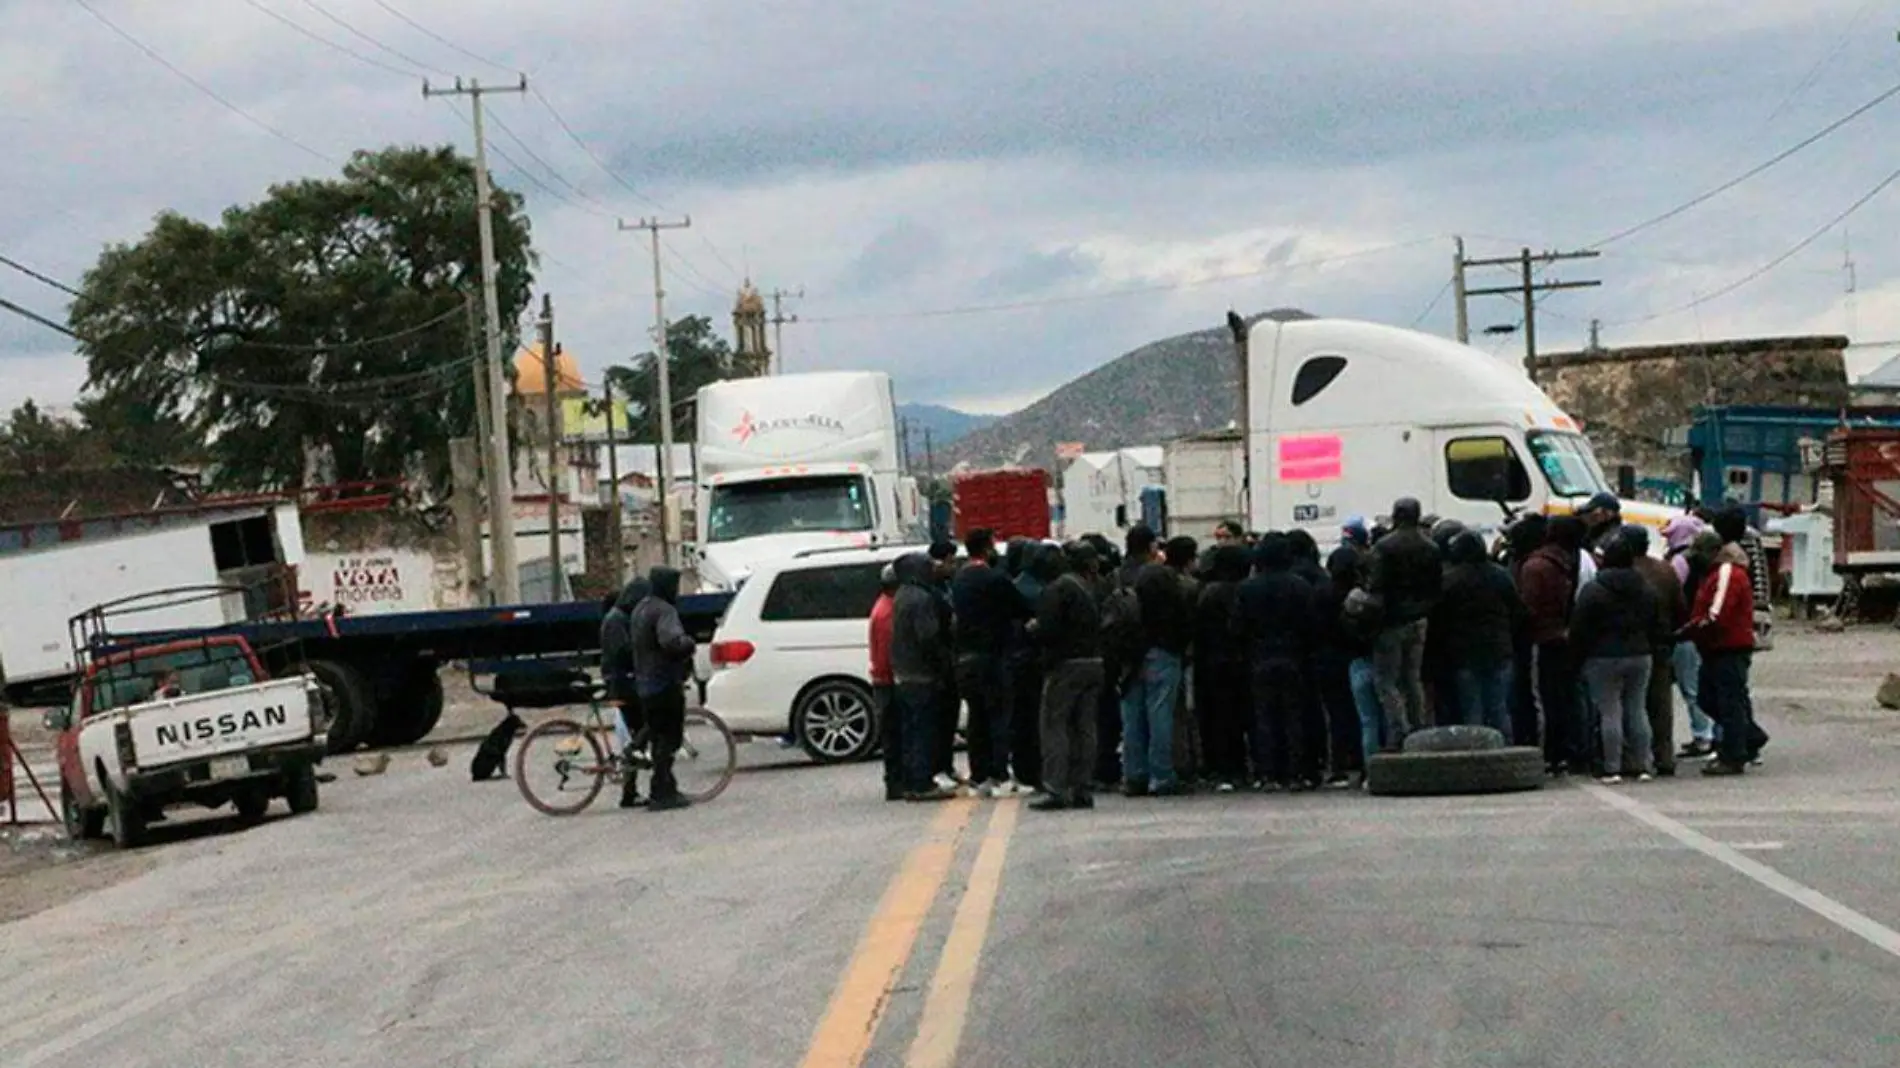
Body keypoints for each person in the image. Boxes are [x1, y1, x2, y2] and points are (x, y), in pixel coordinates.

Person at [1569, 538, 1660, 784]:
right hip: (1640, 654)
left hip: (1603, 656)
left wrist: (1576, 656)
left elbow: (1579, 626)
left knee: (1610, 711)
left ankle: (1612, 766)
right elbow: (1656, 622)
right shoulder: (1646, 588)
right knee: (1637, 709)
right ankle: (1642, 764)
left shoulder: (1594, 589)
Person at [951, 528, 1032, 798]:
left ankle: (979, 776)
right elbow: (1020, 608)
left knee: (976, 719)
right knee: (998, 716)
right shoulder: (995, 579)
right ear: (986, 549)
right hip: (993, 656)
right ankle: (1000, 775)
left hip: (965, 658)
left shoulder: (959, 579)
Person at [1234, 533, 1315, 790]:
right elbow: (1310, 625)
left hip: (1259, 657)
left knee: (1264, 717)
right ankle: (1296, 772)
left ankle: (1268, 773)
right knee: (1294, 715)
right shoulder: (1300, 586)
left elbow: (1237, 627)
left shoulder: (1247, 588)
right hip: (1294, 656)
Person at [1028, 543, 1104, 811]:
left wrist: (1033, 628)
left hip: (1065, 664)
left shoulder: (1057, 589)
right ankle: (1082, 787)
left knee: (1055, 725)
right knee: (1085, 726)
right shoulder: (1087, 586)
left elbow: (1048, 629)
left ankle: (1055, 788)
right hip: (1093, 661)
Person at [1685, 528, 1765, 776]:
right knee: (1711, 699)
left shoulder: (1727, 573)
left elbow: (1716, 613)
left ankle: (1733, 755)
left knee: (1727, 702)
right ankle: (1748, 737)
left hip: (1728, 647)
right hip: (1716, 647)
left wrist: (1692, 629)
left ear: (1712, 552)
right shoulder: (1712, 574)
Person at [1120, 525, 1192, 796]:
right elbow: (1181, 614)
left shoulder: (1118, 575)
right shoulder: (1161, 576)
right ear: (1151, 547)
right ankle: (1161, 775)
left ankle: (1133, 774)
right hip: (1161, 650)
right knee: (1160, 714)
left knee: (1132, 716)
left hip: (1129, 654)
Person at [1364, 497, 1441, 743]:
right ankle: (1419, 726)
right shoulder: (1431, 547)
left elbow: (1376, 587)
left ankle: (1399, 729)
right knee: (1412, 677)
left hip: (1391, 621)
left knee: (1386, 680)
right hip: (1420, 618)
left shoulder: (1384, 547)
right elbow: (1435, 587)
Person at [1437, 530, 1524, 737]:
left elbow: (1441, 618)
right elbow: (1518, 610)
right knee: (1499, 708)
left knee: (1471, 709)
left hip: (1464, 653)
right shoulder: (1501, 576)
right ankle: (1505, 753)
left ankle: (1474, 757)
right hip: (1499, 649)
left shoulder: (1450, 580)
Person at [628, 567, 698, 811]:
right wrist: (688, 644)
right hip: (664, 682)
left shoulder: (640, 608)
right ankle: (661, 792)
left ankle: (667, 787)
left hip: (645, 683)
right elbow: (670, 641)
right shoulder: (664, 610)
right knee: (669, 738)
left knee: (657, 735)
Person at [1521, 516, 1585, 774]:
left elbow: (1529, 606)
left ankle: (1549, 752)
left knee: (1544, 698)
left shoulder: (1536, 566)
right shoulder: (1570, 562)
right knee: (1566, 697)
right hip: (1564, 634)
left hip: (1543, 637)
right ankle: (1569, 750)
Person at [890, 551, 956, 800]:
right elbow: (928, 637)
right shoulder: (921, 598)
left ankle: (912, 781)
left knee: (911, 730)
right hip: (922, 674)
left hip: (905, 674)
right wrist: (943, 665)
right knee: (923, 731)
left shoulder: (903, 594)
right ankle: (922, 784)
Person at [1624, 526, 1686, 777]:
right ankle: (1664, 755)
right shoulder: (1665, 570)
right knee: (1660, 703)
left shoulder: (1624, 572)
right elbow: (1681, 608)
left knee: (1630, 703)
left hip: (1630, 643)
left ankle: (1633, 756)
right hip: (1661, 643)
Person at [1193, 543, 1251, 790]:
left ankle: (1221, 768)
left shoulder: (1208, 592)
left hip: (1212, 662)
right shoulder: (1243, 591)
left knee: (1218, 718)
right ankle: (1244, 766)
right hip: (1242, 660)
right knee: (1243, 716)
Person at [1664, 515, 1714, 759]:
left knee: (1690, 686)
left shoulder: (1681, 561)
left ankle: (1703, 734)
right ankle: (1707, 733)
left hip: (1683, 631)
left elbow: (1671, 592)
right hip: (1700, 629)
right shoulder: (1706, 560)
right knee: (1698, 683)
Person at [600, 576, 652, 808]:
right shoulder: (616, 620)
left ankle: (629, 791)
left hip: (623, 682)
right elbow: (622, 652)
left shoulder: (619, 618)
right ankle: (629, 786)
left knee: (636, 733)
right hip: (622, 684)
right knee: (647, 724)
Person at [1005, 539, 1047, 791]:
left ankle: (1023, 769)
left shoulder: (1012, 586)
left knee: (1020, 720)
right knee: (1034, 719)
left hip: (1015, 660)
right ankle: (1034, 769)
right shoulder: (1037, 589)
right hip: (1033, 661)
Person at [1162, 536, 1204, 784]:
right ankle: (1188, 760)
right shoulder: (1190, 587)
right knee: (1187, 711)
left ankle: (1177, 762)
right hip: (1186, 654)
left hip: (1167, 651)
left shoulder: (1159, 582)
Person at [927, 540, 963, 787]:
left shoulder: (947, 586)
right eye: (950, 561)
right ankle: (937, 767)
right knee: (937, 721)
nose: (953, 566)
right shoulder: (930, 591)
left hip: (951, 661)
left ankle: (947, 766)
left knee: (950, 719)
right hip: (938, 665)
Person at [869, 563, 902, 801]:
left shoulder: (884, 606)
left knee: (893, 734)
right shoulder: (888, 612)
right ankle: (896, 782)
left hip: (884, 678)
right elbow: (887, 653)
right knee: (895, 734)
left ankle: (896, 781)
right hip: (888, 680)